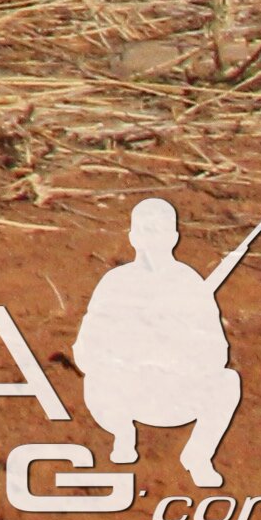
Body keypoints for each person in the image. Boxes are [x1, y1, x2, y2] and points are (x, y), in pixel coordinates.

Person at [75, 196, 247, 488]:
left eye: (160, 229)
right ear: (132, 236)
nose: (152, 237)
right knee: (96, 379)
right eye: (146, 229)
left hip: (174, 392)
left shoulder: (190, 285)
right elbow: (85, 350)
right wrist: (128, 352)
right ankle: (122, 434)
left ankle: (198, 455)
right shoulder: (115, 283)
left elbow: (217, 353)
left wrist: (175, 350)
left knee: (227, 382)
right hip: (124, 392)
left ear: (174, 237)